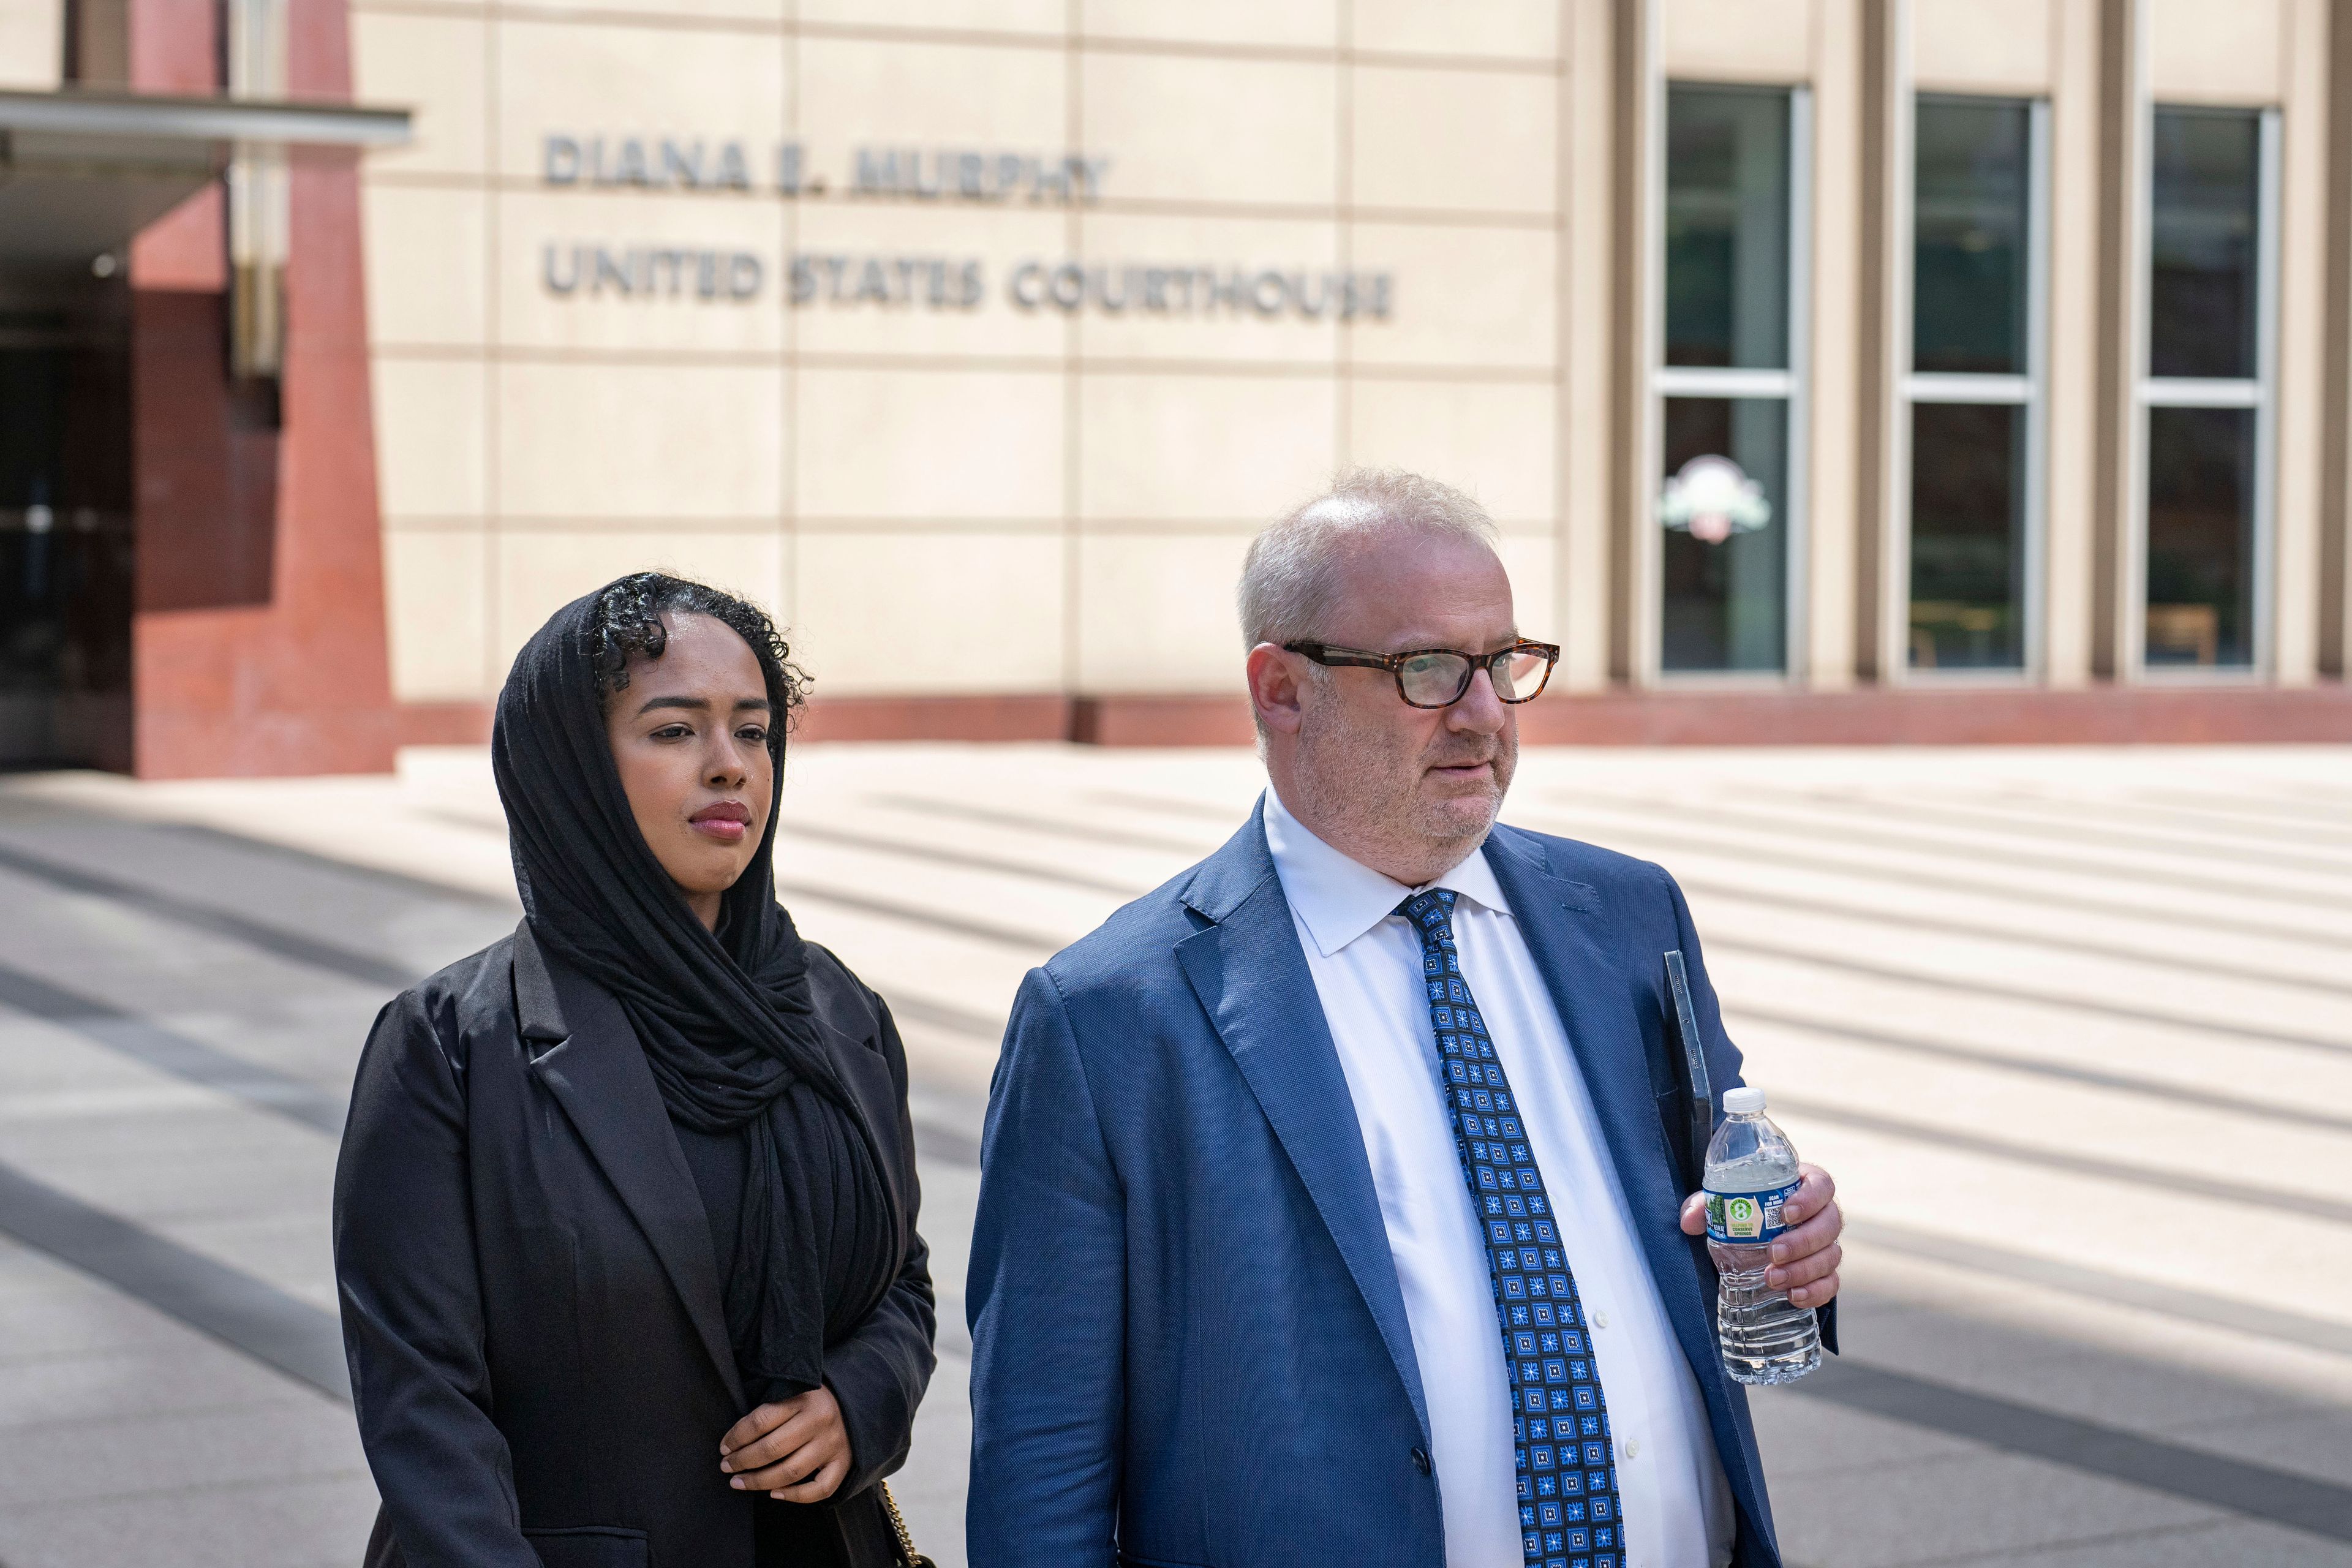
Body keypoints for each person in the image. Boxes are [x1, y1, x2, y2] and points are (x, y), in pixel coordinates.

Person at [968, 471, 1842, 1568]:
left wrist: (1787, 1249)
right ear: (1281, 690)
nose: (1483, 713)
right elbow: (1040, 1461)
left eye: (1504, 663)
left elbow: (1721, 1220)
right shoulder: (1108, 1017)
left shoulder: (1627, 913)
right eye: (1427, 669)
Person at [335, 574, 934, 1568]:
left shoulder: (834, 1013)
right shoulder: (449, 1046)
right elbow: (423, 1402)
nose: (729, 766)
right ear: (567, 769)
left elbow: (898, 1283)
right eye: (673, 732)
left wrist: (855, 1403)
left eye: (753, 731)